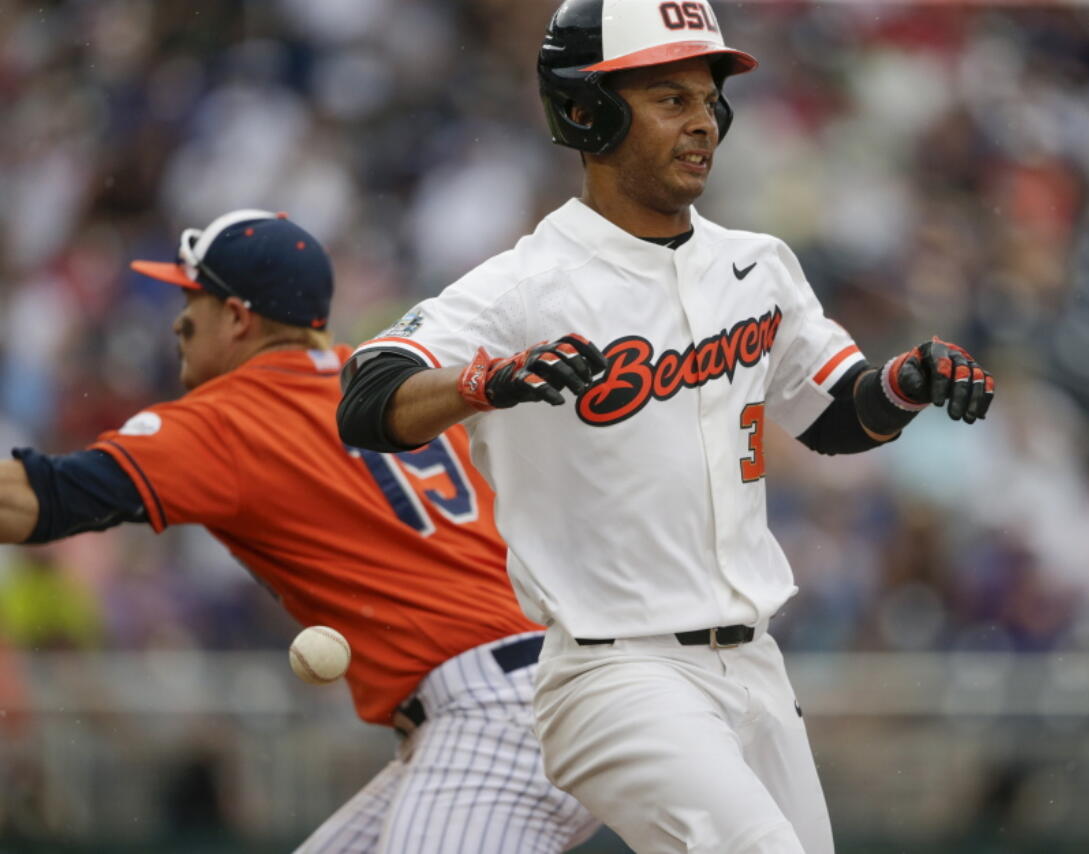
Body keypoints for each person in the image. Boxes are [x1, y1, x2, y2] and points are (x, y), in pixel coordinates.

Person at [337, 1, 995, 851]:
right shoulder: (523, 286)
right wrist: (486, 382)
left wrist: (908, 383)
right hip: (615, 671)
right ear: (588, 108)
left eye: (707, 99)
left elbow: (836, 416)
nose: (704, 123)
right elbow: (368, 396)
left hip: (755, 665)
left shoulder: (756, 266)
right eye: (669, 99)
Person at [0, 209, 597, 853]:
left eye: (190, 297)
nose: (178, 320)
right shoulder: (385, 383)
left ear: (237, 317)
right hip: (550, 688)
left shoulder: (230, 419)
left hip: (492, 714)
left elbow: (35, 502)